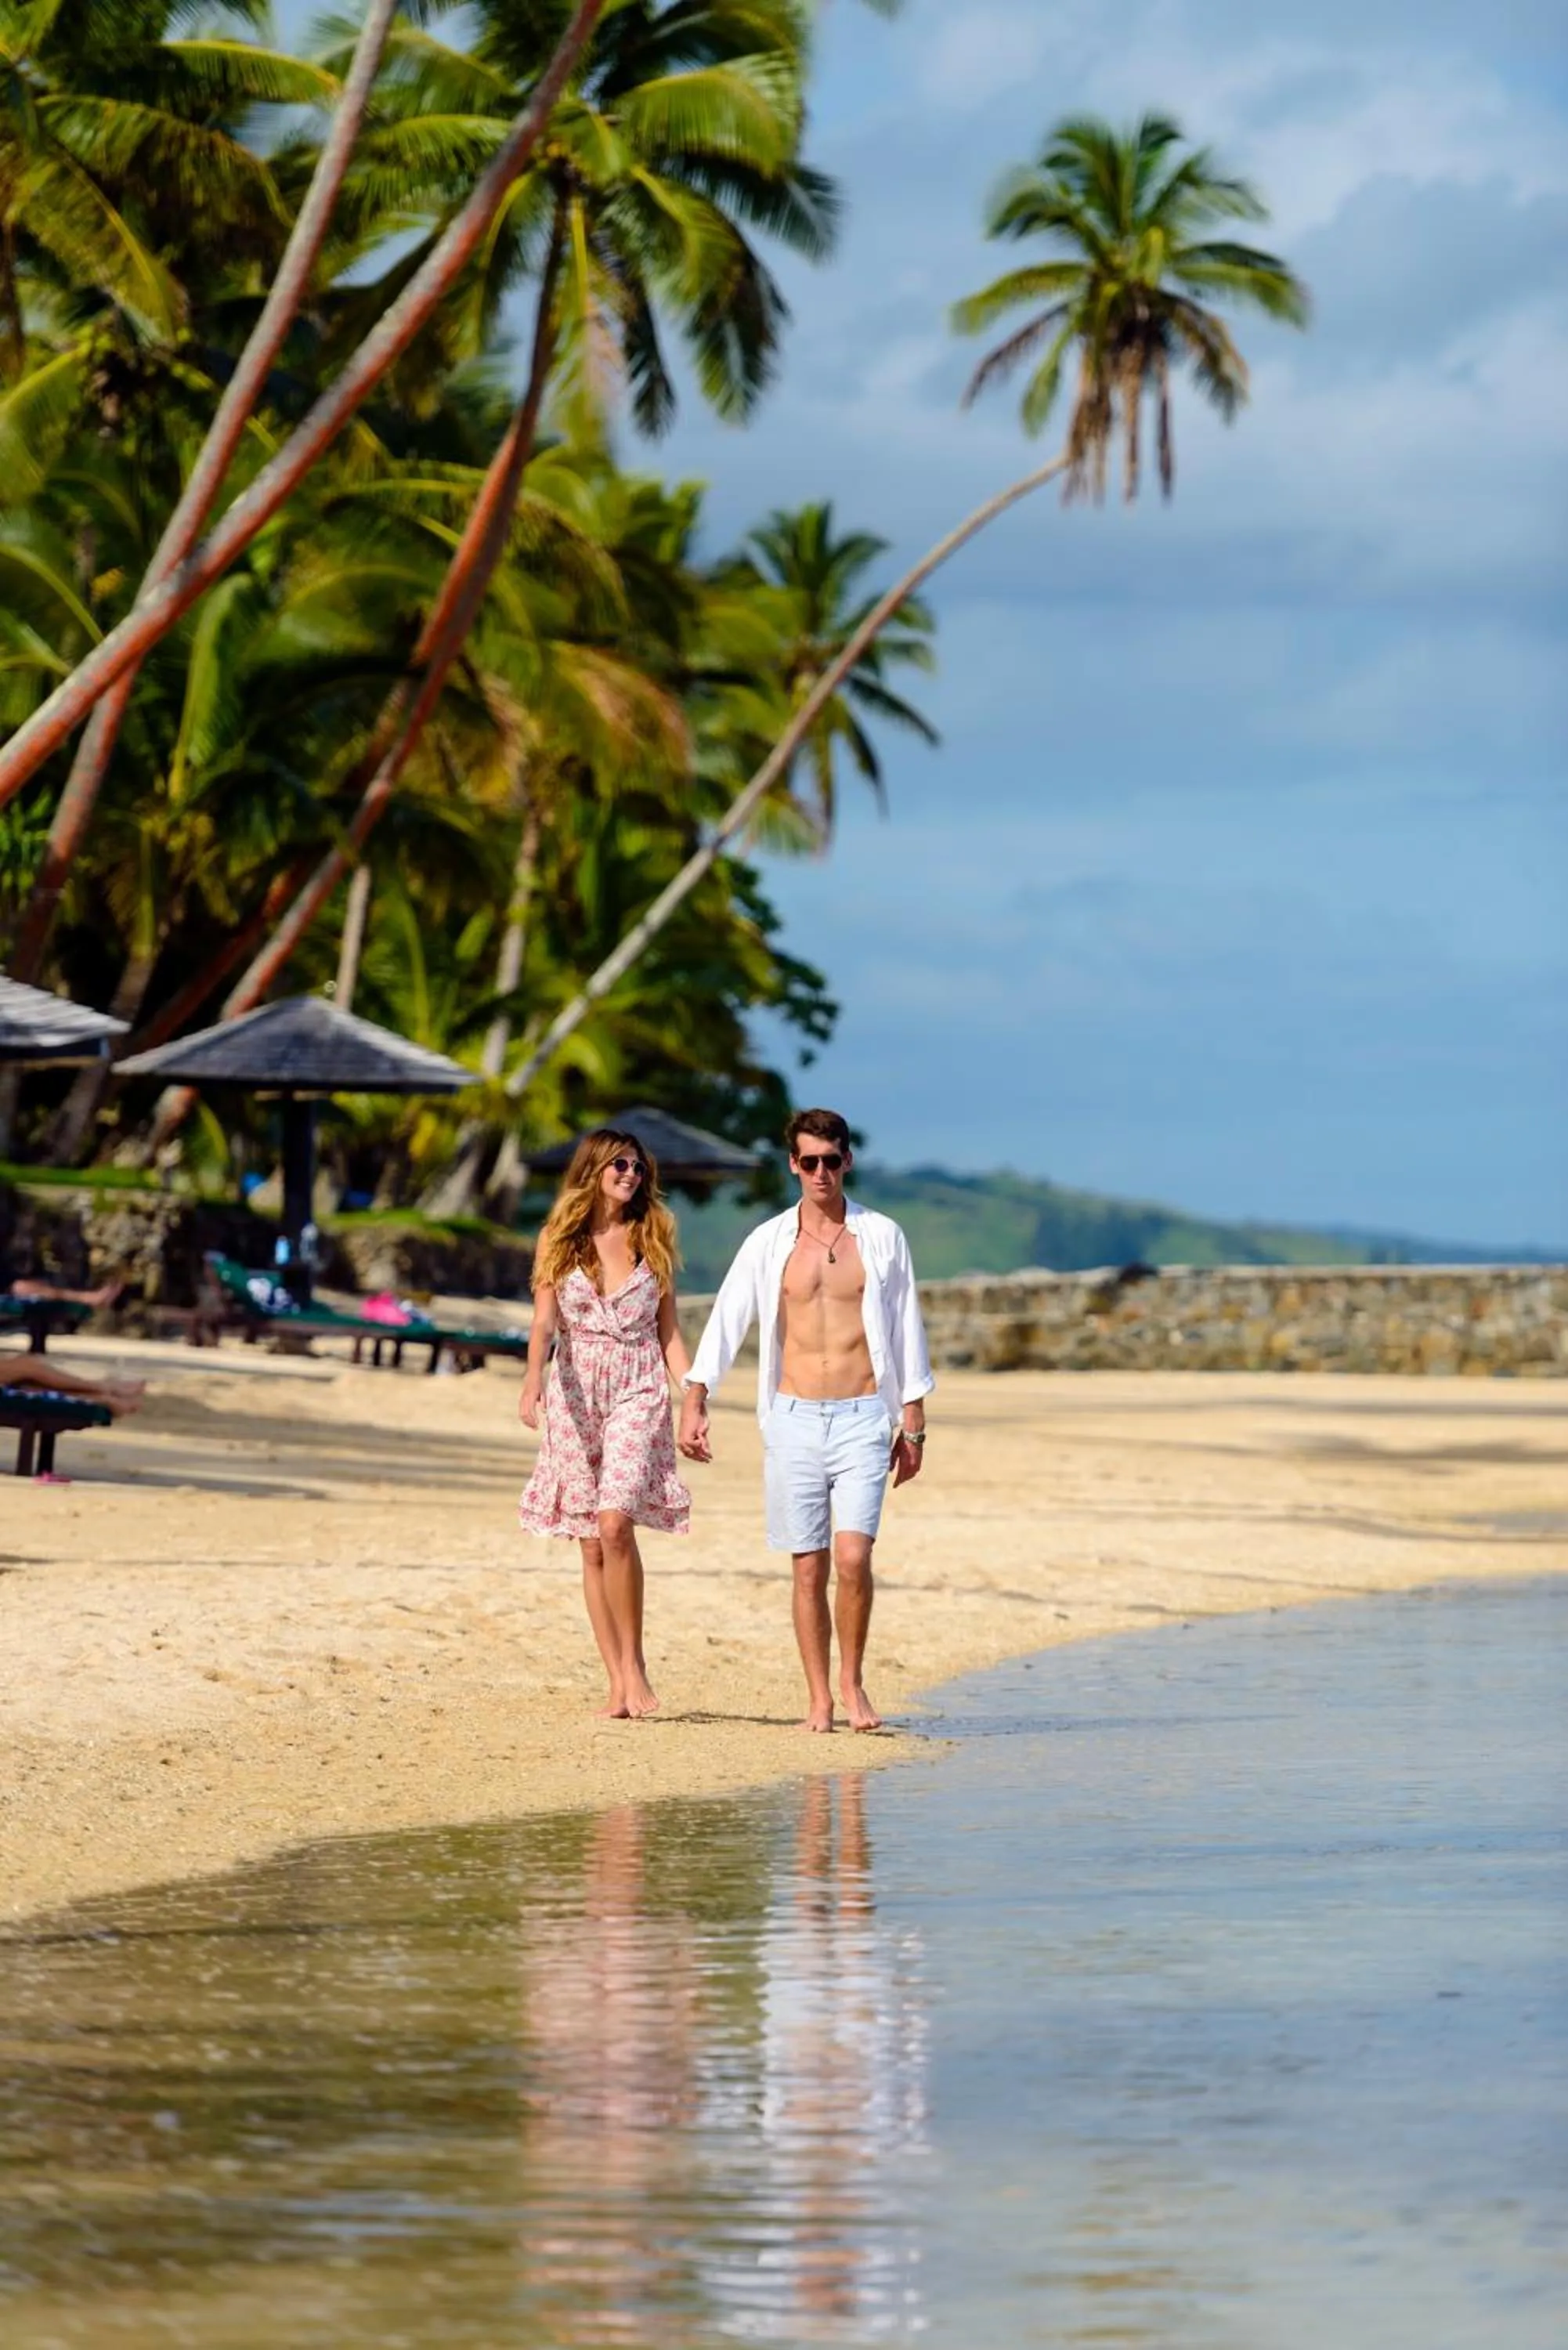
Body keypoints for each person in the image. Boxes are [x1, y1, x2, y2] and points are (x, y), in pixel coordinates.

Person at [678, 1108, 934, 1734]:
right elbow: (730, 1316)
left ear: (848, 1161)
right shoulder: (769, 1242)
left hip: (863, 1416)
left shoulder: (881, 1236)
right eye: (809, 1161)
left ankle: (853, 1684)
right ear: (793, 1164)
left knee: (852, 1559)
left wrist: (915, 1419)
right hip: (792, 1416)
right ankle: (818, 1697)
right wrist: (696, 1395)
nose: (821, 1172)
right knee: (808, 1566)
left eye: (832, 1160)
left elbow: (906, 1327)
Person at [518, 1130, 693, 1719]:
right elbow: (544, 1322)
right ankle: (617, 1682)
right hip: (574, 1391)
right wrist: (532, 1378)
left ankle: (636, 1666)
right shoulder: (558, 1240)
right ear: (593, 1169)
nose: (631, 1175)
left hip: (638, 1385)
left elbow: (668, 1330)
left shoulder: (654, 1237)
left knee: (616, 1521)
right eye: (620, 1164)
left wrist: (693, 1395)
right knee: (590, 1541)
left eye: (639, 1168)